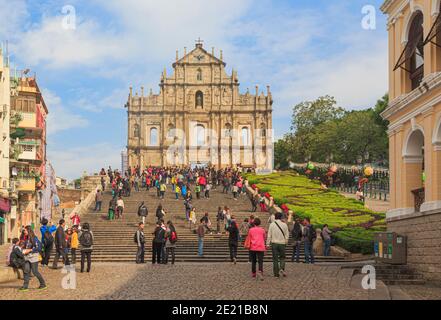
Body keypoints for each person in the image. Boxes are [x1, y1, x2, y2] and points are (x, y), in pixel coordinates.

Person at [21, 226, 47, 291]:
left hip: (33, 257)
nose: (24, 232)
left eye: (25, 230)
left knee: (35, 272)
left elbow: (39, 248)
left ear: (29, 231)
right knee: (26, 271)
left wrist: (30, 250)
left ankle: (43, 284)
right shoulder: (25, 238)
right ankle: (25, 286)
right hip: (26, 257)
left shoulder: (34, 238)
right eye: (24, 230)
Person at [267, 212, 290, 278]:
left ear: (275, 217)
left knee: (275, 259)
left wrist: (267, 244)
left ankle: (276, 274)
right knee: (282, 258)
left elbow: (269, 235)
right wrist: (286, 242)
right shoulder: (284, 225)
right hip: (282, 243)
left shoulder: (272, 224)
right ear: (281, 217)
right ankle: (282, 268)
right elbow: (287, 235)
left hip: (274, 243)